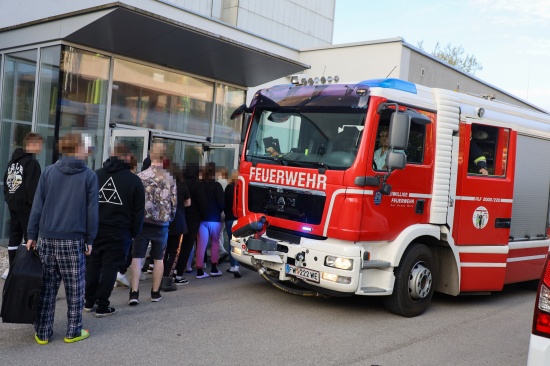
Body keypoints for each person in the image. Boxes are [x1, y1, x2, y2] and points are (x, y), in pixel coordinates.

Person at [26, 133, 98, 344]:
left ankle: (43, 332)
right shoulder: (89, 176)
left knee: (47, 286)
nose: (88, 150)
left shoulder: (48, 172)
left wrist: (32, 235)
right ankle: (73, 331)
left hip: (47, 238)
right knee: (75, 287)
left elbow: (37, 206)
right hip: (73, 239)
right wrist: (90, 239)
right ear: (77, 148)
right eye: (86, 147)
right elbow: (92, 211)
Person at [84, 143, 145, 317]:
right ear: (127, 157)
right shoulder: (133, 180)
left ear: (112, 155)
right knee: (110, 268)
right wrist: (133, 232)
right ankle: (102, 305)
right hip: (120, 231)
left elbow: (86, 204)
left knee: (93, 266)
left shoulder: (95, 175)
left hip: (95, 229)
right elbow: (139, 211)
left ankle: (89, 301)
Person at [128, 142, 177, 305]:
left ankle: (134, 293)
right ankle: (155, 293)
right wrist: (169, 218)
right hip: (161, 225)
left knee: (137, 257)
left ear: (150, 156)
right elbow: (174, 204)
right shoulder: (169, 179)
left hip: (142, 223)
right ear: (164, 158)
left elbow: (133, 202)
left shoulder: (140, 177)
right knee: (158, 258)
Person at [3, 132, 43, 278]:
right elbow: (33, 188)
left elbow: (6, 183)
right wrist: (36, 208)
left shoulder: (12, 162)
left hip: (13, 205)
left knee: (14, 237)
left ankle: (12, 270)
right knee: (30, 238)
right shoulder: (32, 163)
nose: (41, 148)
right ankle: (28, 273)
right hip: (27, 207)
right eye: (39, 144)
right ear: (32, 144)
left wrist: (9, 199)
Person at [172, 163, 208, 280]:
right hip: (194, 219)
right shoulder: (198, 185)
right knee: (187, 246)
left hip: (180, 216)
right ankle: (179, 273)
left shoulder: (180, 184)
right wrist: (202, 216)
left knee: (174, 245)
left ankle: (169, 270)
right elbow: (203, 204)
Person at [161, 165, 191, 290]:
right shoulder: (182, 185)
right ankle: (167, 279)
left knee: (164, 251)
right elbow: (188, 203)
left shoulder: (163, 185)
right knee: (174, 252)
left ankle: (160, 274)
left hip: (164, 222)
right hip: (178, 221)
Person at [195, 162, 224, 279]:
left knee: (201, 244)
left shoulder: (199, 185)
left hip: (201, 219)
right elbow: (222, 203)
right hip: (215, 219)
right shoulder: (217, 186)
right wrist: (217, 211)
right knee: (215, 243)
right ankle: (214, 268)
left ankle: (199, 270)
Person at [224, 170, 241, 278]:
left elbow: (224, 204)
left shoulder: (228, 188)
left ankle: (232, 266)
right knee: (238, 243)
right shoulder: (241, 189)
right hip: (240, 220)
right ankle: (236, 266)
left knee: (231, 243)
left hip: (229, 219)